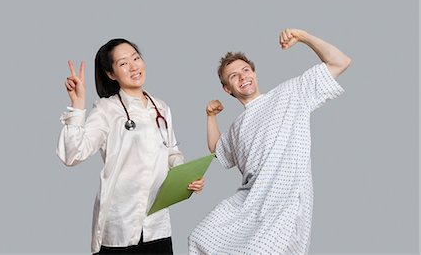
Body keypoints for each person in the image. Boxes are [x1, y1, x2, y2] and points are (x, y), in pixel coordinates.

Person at [188, 29, 351, 254]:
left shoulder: (291, 93)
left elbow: (340, 62)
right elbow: (218, 149)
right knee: (201, 237)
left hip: (284, 199)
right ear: (227, 89)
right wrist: (211, 117)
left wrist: (304, 37)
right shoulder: (237, 125)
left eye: (245, 70)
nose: (242, 76)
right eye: (234, 76)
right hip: (249, 200)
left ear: (254, 72)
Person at [56, 38, 204, 254]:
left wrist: (186, 176)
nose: (134, 66)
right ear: (111, 73)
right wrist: (78, 106)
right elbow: (72, 154)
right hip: (119, 226)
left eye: (136, 58)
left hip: (157, 225)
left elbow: (171, 151)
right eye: (124, 63)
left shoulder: (161, 107)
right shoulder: (107, 109)